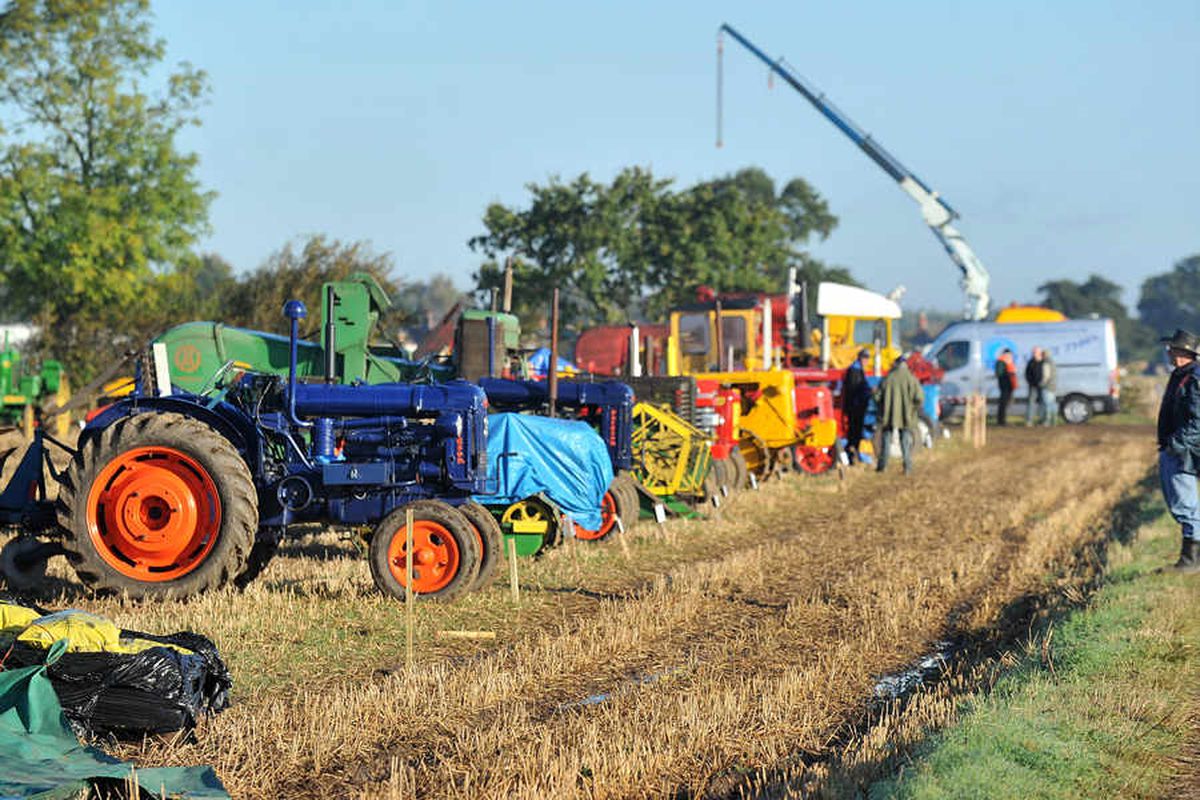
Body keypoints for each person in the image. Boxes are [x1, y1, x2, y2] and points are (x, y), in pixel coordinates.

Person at [1157, 329, 1200, 573]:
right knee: (1180, 503)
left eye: (1171, 348)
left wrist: (1175, 444)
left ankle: (1191, 560)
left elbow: (1198, 421)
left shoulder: (1193, 378)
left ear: (1182, 352)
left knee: (1185, 504)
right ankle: (1191, 557)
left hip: (1183, 451)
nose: (1167, 352)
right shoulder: (1181, 375)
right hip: (1178, 447)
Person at [874, 355, 924, 475]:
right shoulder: (911, 379)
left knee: (886, 440)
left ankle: (882, 467)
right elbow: (920, 398)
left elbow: (877, 397)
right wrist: (912, 410)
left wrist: (882, 408)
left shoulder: (888, 378)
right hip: (906, 417)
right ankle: (907, 468)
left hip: (888, 416)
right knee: (905, 442)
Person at [842, 348, 872, 464]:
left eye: (867, 358)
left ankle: (854, 455)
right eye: (864, 358)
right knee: (854, 433)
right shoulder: (854, 371)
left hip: (858, 406)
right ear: (860, 358)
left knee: (856, 433)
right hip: (855, 408)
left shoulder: (858, 370)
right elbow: (854, 390)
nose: (866, 361)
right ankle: (851, 457)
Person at [994, 348, 1017, 426]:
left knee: (1005, 403)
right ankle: (1001, 421)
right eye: (1009, 354)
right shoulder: (1001, 362)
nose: (1010, 356)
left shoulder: (1008, 362)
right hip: (1004, 386)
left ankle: (1002, 420)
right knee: (1003, 404)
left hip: (1009, 386)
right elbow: (999, 374)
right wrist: (1009, 374)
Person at [1024, 347, 1044, 426]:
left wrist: (1043, 383)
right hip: (1033, 386)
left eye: (1035, 352)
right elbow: (1027, 374)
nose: (1034, 353)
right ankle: (1029, 421)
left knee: (1043, 404)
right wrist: (1031, 382)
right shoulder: (1031, 362)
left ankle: (1042, 421)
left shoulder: (1044, 362)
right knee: (1031, 403)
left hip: (1043, 386)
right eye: (1033, 352)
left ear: (1039, 353)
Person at [1039, 348, 1058, 425]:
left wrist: (1041, 384)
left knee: (1047, 404)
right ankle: (1054, 421)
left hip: (1047, 386)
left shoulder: (1046, 363)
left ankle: (1047, 421)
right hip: (1053, 386)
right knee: (1053, 404)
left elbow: (1046, 376)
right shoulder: (1052, 362)